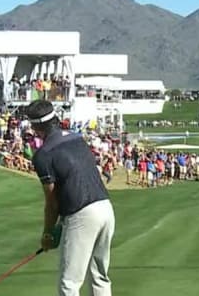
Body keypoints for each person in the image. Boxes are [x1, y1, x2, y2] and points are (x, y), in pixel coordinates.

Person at [27, 100, 116, 296]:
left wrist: (48, 233)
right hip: (105, 207)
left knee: (69, 283)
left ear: (35, 127)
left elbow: (51, 201)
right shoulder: (77, 138)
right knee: (99, 276)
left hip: (82, 213)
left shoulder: (43, 155)